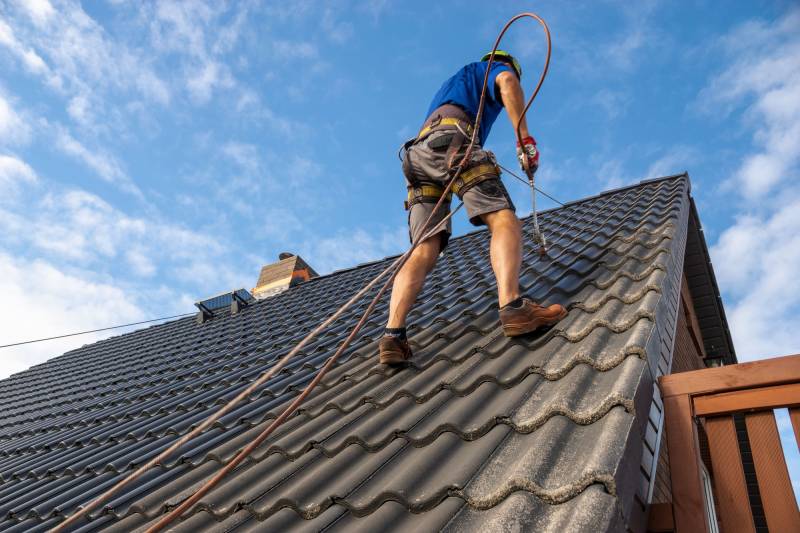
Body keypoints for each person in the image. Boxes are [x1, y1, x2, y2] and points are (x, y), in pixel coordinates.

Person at [378, 50, 567, 365]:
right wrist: (525, 143)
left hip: (418, 156)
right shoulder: (491, 70)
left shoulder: (454, 85)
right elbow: (506, 81)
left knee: (424, 249)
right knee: (503, 219)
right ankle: (512, 306)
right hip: (452, 143)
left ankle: (393, 337)